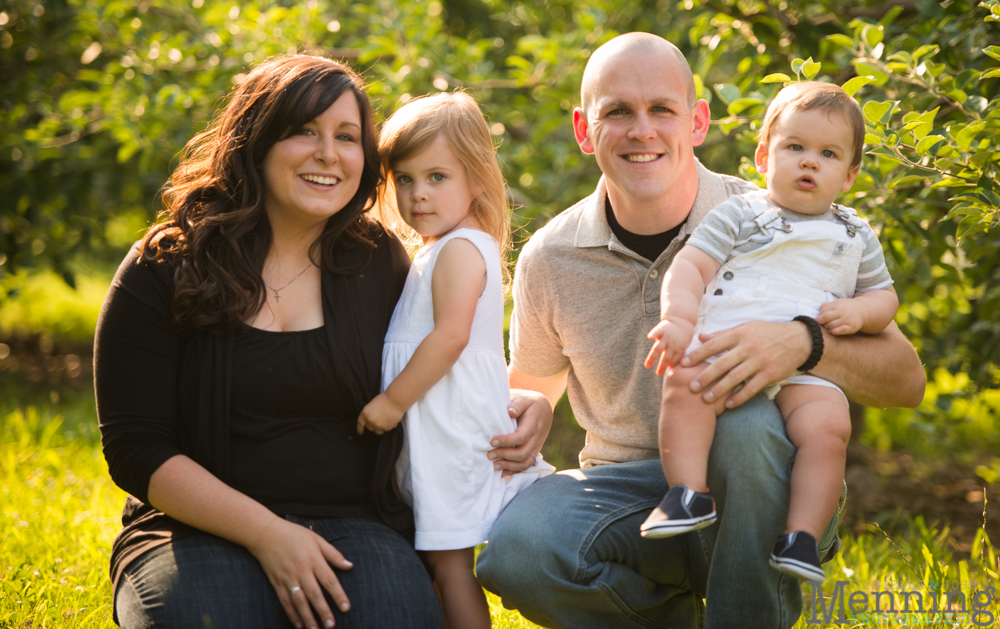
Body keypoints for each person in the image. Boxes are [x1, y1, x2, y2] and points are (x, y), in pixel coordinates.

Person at [477, 33, 925, 628]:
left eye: (662, 109)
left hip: (762, 481)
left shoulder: (784, 218)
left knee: (745, 427)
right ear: (586, 131)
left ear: (697, 122)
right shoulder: (551, 257)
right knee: (518, 550)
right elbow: (533, 385)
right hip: (628, 490)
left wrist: (805, 342)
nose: (642, 130)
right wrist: (529, 405)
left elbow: (906, 381)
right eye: (618, 112)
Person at [94, 55, 446, 629]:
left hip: (356, 524)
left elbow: (435, 374)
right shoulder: (165, 265)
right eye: (304, 130)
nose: (329, 153)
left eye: (348, 137)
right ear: (255, 140)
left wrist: (524, 404)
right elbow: (136, 447)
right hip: (196, 529)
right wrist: (268, 534)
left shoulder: (378, 262)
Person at [641, 82, 899, 584]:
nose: (809, 163)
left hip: (806, 367)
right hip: (728, 347)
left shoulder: (855, 233)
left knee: (829, 432)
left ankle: (800, 536)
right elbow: (690, 268)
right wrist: (677, 320)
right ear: (763, 156)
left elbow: (885, 297)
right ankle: (688, 493)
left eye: (828, 154)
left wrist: (862, 313)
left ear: (849, 176)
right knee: (686, 384)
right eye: (794, 147)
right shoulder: (740, 213)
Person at [356, 92, 553, 628]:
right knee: (437, 563)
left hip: (447, 433)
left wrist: (391, 403)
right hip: (436, 429)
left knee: (449, 566)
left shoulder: (461, 249)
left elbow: (450, 339)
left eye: (437, 177)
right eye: (404, 179)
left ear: (477, 178)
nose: (419, 194)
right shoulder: (436, 246)